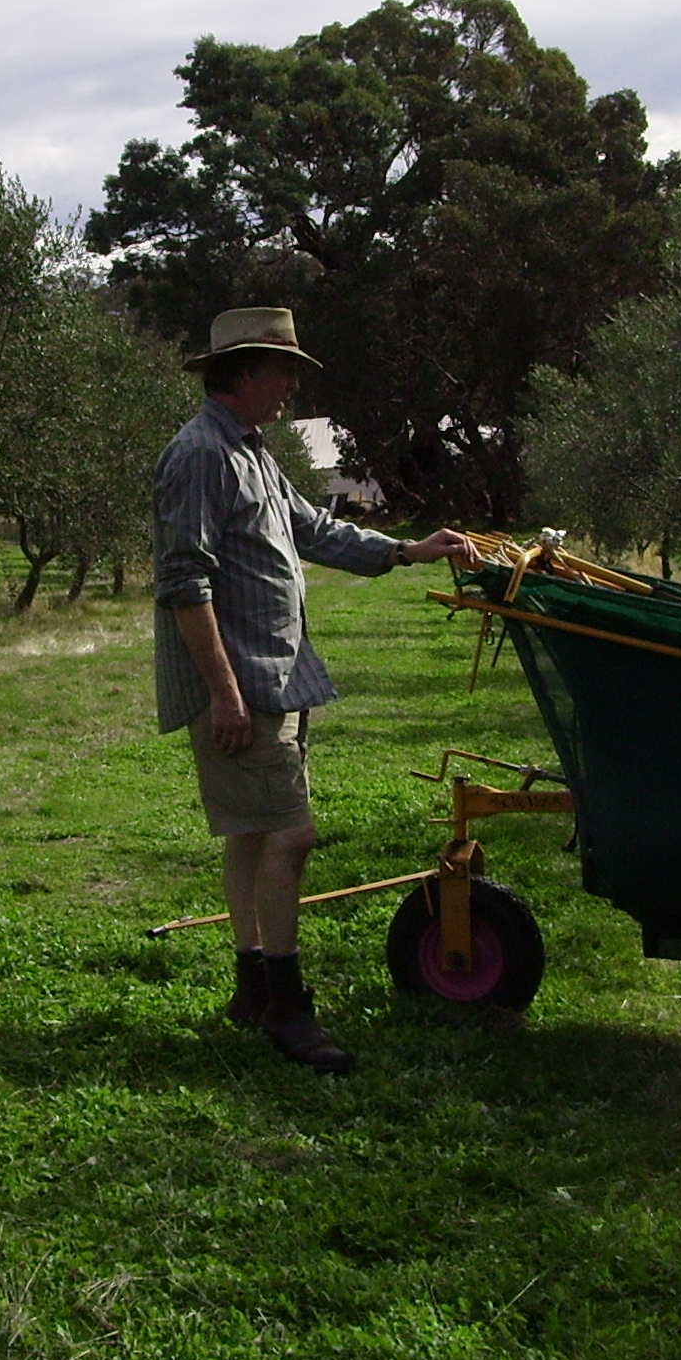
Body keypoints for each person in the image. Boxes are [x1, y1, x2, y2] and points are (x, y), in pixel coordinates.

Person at [152, 306, 478, 1073]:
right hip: (243, 685)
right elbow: (184, 582)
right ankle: (285, 1005)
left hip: (275, 674)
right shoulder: (200, 454)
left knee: (252, 833)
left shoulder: (251, 453)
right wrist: (225, 693)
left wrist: (406, 551)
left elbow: (313, 530)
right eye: (284, 371)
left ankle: (250, 987)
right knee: (291, 836)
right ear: (243, 372)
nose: (293, 387)